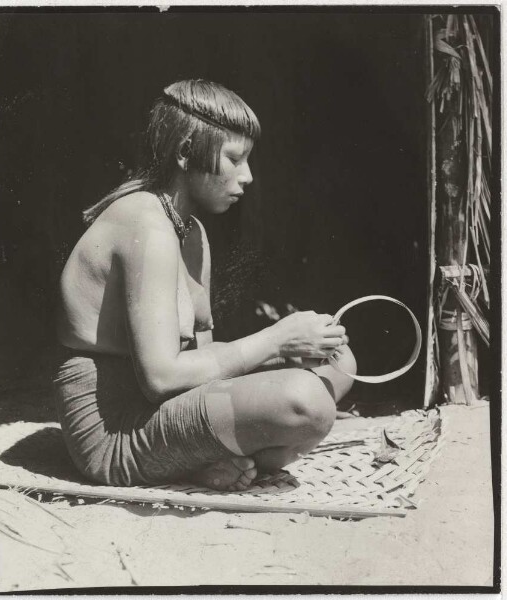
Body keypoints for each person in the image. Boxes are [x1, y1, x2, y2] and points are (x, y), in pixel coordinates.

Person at [54, 79, 357, 492]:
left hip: (162, 409)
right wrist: (276, 341)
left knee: (337, 364)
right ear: (184, 152)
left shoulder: (191, 233)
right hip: (114, 430)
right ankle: (207, 460)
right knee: (305, 401)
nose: (247, 176)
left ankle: (209, 461)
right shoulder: (144, 223)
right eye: (234, 158)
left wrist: (295, 348)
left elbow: (203, 357)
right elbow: (160, 377)